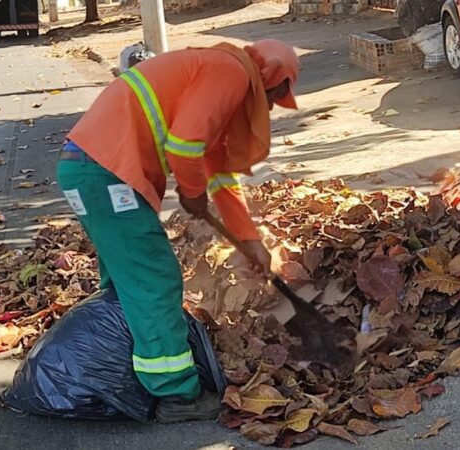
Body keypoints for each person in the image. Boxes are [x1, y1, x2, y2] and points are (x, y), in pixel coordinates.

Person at [55, 39, 300, 423]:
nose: (268, 109)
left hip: (88, 167)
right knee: (154, 277)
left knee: (128, 279)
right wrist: (191, 192)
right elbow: (185, 146)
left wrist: (250, 240)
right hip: (105, 171)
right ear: (271, 81)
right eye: (273, 99)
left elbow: (219, 174)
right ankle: (176, 394)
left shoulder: (217, 74)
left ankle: (121, 361)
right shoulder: (232, 73)